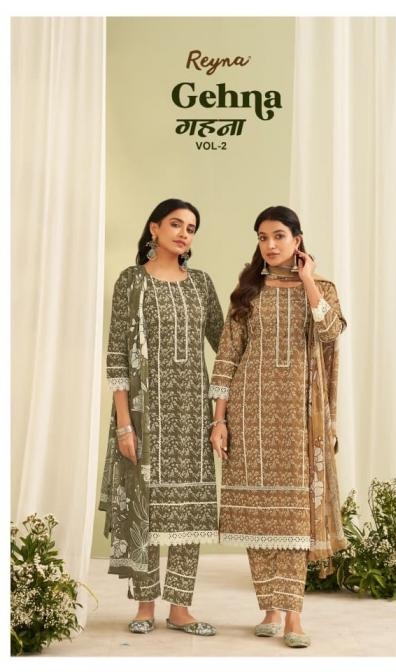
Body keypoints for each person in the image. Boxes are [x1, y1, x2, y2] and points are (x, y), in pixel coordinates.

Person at [209, 205, 347, 648]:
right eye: (263, 237)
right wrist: (219, 420)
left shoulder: (321, 289)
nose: (269, 245)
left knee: (293, 515)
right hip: (249, 412)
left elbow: (331, 332)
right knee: (259, 513)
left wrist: (308, 280)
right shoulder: (249, 291)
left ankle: (293, 616)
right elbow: (227, 356)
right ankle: (269, 607)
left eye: (279, 236)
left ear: (297, 240)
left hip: (298, 415)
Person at [99, 198, 224, 636]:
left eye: (191, 227)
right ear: (154, 228)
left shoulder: (201, 284)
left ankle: (181, 608)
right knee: (147, 507)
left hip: (192, 415)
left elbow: (226, 345)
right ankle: (145, 606)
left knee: (189, 512)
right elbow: (117, 355)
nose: (184, 233)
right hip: (145, 414)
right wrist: (124, 424)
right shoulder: (131, 281)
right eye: (176, 224)